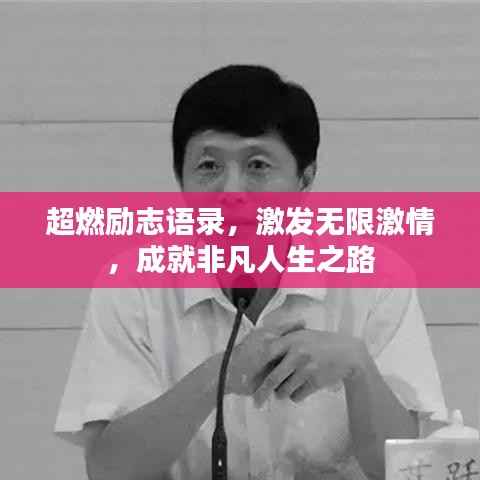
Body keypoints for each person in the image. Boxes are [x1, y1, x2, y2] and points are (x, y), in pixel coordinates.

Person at [54, 65, 447, 480]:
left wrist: (358, 368)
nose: (231, 191)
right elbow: (109, 469)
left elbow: (408, 471)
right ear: (180, 179)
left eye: (257, 165)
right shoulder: (133, 285)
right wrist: (218, 376)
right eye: (209, 166)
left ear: (304, 178)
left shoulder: (376, 278)